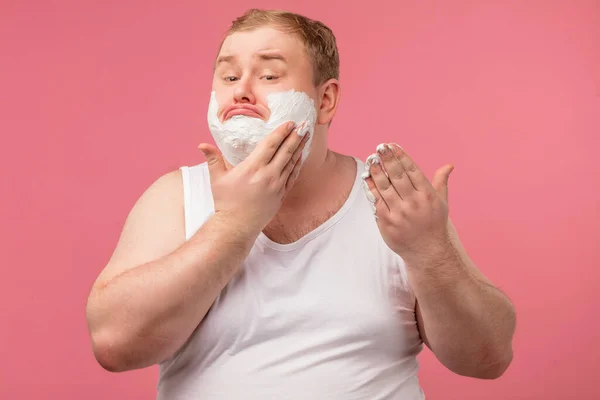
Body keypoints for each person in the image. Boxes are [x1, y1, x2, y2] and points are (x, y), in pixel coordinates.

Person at [85, 9, 516, 399]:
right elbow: (114, 345)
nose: (243, 92)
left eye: (269, 76)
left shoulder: (392, 199)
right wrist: (236, 223)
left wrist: (429, 250)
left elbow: (487, 358)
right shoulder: (176, 198)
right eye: (230, 77)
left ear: (324, 101)